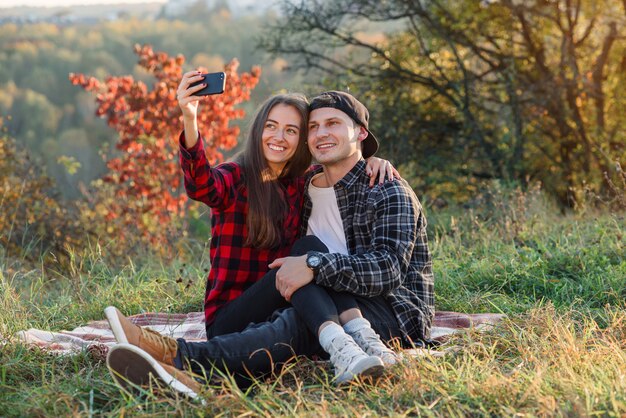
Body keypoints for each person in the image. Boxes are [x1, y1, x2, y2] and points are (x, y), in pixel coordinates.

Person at [105, 90, 434, 397]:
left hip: (391, 311)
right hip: (272, 306)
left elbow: (387, 270)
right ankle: (194, 370)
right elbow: (204, 185)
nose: (320, 134)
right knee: (307, 253)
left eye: (332, 124)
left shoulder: (385, 188)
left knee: (300, 298)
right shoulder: (296, 185)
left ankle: (178, 358)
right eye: (314, 127)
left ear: (360, 132)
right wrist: (189, 119)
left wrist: (313, 267)